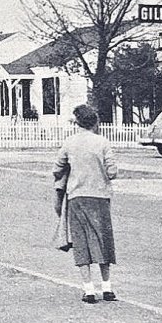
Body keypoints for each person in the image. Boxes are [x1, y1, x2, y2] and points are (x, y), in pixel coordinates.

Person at [53, 104, 118, 304]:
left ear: (77, 122)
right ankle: (107, 288)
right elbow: (112, 172)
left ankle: (88, 290)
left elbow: (57, 168)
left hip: (77, 198)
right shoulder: (103, 142)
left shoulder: (69, 143)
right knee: (103, 241)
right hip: (100, 198)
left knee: (82, 242)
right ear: (95, 122)